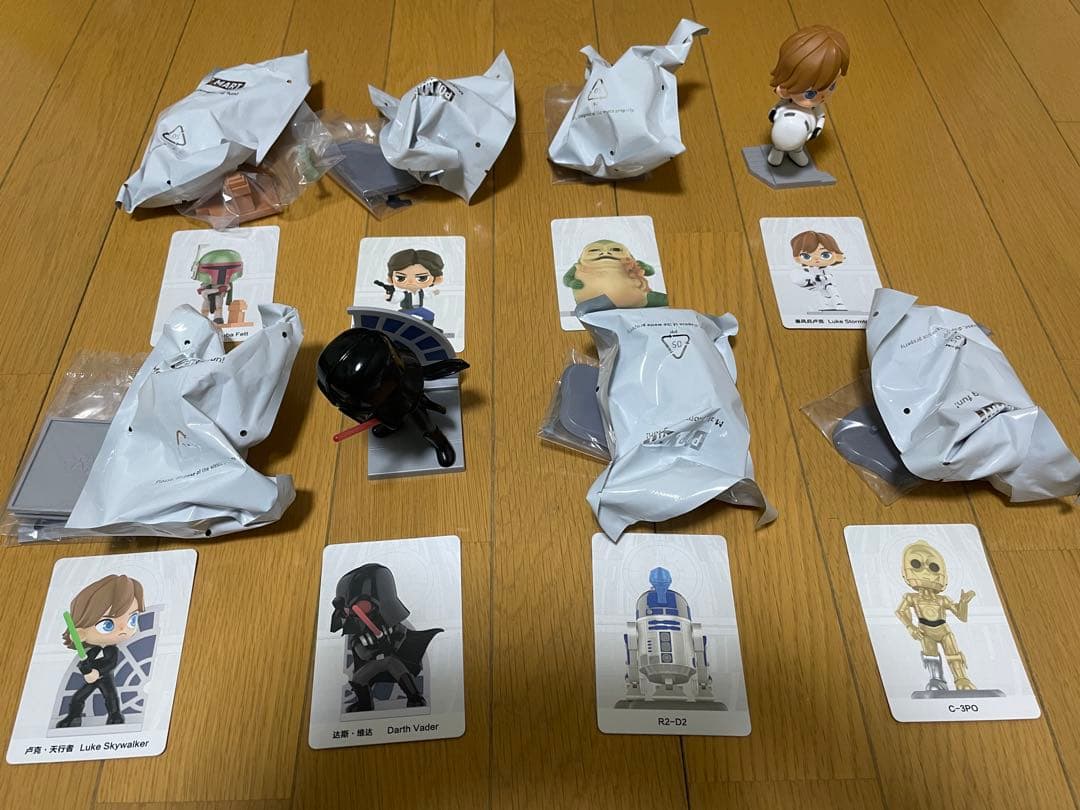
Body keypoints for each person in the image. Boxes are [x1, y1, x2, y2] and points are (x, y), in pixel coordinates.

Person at [56, 574, 144, 727]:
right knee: (78, 697)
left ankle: (115, 716)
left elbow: (111, 663)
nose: (123, 629)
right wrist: (87, 671)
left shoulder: (111, 650)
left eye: (132, 620)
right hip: (92, 677)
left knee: (110, 698)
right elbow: (84, 663)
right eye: (107, 625)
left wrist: (97, 672)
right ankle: (74, 717)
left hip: (105, 677)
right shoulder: (93, 650)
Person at [767, 25, 850, 168]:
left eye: (831, 86)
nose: (823, 96)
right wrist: (774, 113)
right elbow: (777, 108)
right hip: (782, 136)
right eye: (810, 94)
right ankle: (777, 151)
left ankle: (796, 151)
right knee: (780, 145)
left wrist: (816, 130)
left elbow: (820, 117)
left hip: (802, 136)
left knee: (797, 146)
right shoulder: (785, 102)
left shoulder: (816, 108)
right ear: (784, 90)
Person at [374, 248, 444, 325]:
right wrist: (389, 297)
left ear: (436, 278)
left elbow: (427, 295)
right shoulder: (404, 294)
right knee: (402, 320)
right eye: (401, 278)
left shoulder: (421, 292)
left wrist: (434, 293)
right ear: (391, 278)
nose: (411, 282)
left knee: (430, 315)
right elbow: (395, 299)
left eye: (421, 278)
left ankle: (427, 328)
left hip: (418, 308)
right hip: (407, 310)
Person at [789, 230, 846, 311]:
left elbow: (830, 276)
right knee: (825, 296)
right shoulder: (808, 270)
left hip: (828, 283)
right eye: (806, 256)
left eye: (825, 255)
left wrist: (823, 278)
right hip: (819, 285)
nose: (816, 259)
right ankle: (828, 308)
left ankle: (840, 305)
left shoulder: (826, 269)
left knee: (833, 293)